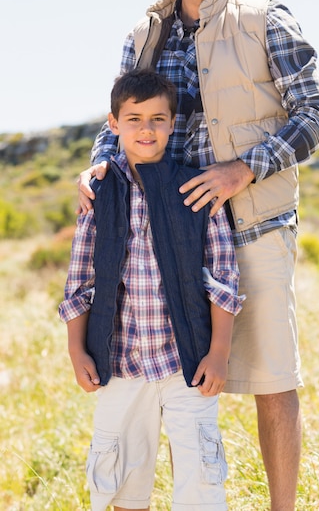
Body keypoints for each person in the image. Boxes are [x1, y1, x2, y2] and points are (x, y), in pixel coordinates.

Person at [78, 0, 319, 510]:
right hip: (164, 232)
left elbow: (317, 115)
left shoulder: (267, 18)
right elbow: (118, 118)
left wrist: (243, 170)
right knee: (178, 377)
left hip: (254, 222)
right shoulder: (144, 31)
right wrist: (94, 165)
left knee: (273, 377)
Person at [60, 68, 244, 511]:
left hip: (188, 366)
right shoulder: (98, 193)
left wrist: (218, 353)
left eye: (158, 119)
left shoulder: (195, 188)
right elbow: (80, 281)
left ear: (172, 123)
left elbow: (223, 280)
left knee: (200, 485)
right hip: (119, 363)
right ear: (113, 123)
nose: (146, 129)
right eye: (134, 118)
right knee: (121, 482)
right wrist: (76, 351)